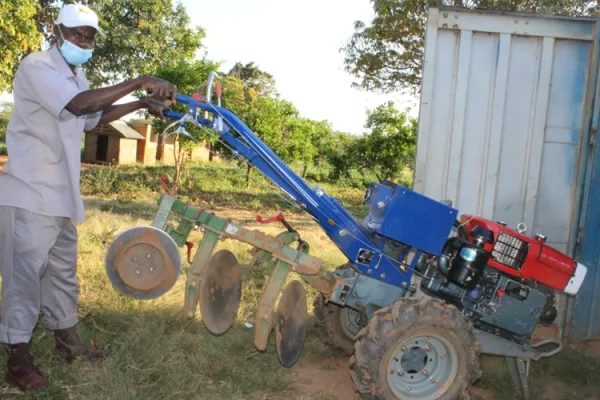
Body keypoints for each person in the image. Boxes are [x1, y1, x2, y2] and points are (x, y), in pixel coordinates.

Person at [0, 3, 177, 391]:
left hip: (61, 195)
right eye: (77, 33)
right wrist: (140, 81)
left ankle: (67, 343)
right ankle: (17, 361)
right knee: (24, 280)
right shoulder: (37, 66)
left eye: (89, 36)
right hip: (29, 192)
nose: (83, 40)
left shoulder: (75, 77)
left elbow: (94, 116)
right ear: (57, 31)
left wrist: (143, 104)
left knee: (62, 274)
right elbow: (81, 106)